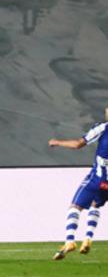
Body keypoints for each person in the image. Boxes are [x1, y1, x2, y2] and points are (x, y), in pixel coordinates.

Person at [49, 108, 108, 260]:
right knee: (95, 205)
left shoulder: (103, 128)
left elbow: (77, 144)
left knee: (75, 207)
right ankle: (88, 238)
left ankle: (70, 241)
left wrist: (58, 142)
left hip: (97, 178)